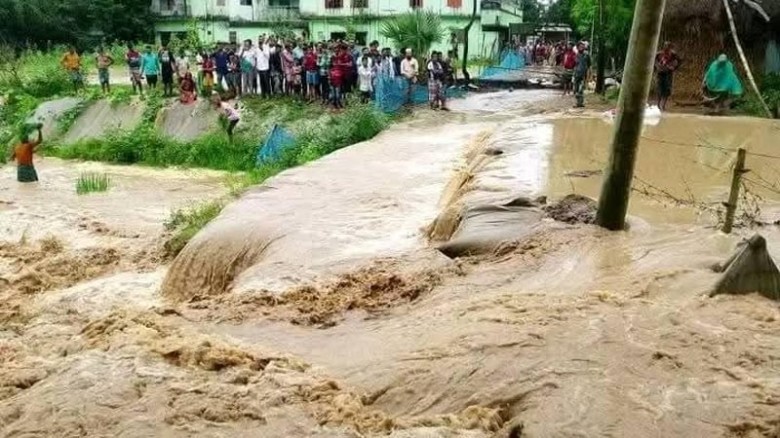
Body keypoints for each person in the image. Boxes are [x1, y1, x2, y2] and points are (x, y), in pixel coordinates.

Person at [655, 41, 682, 112]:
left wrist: (674, 67)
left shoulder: (673, 54)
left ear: (670, 47)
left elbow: (679, 60)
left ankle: (663, 106)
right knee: (659, 88)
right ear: (663, 47)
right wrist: (657, 66)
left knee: (667, 89)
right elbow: (654, 60)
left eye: (668, 46)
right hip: (660, 73)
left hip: (668, 73)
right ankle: (658, 105)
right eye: (665, 46)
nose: (667, 48)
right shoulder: (659, 54)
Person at [330, 44, 352, 109]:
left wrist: (343, 64)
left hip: (347, 75)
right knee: (340, 90)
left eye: (345, 49)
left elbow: (350, 64)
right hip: (339, 75)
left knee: (346, 90)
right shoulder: (337, 56)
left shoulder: (349, 56)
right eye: (342, 49)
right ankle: (338, 102)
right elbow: (335, 65)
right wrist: (345, 64)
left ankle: (345, 102)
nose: (343, 51)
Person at [573, 41, 591, 108]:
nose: (581, 47)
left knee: (581, 89)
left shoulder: (587, 55)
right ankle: (579, 103)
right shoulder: (576, 55)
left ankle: (579, 103)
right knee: (576, 89)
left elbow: (589, 66)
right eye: (580, 46)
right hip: (576, 74)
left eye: (582, 46)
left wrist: (589, 75)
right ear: (577, 47)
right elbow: (574, 65)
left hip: (584, 74)